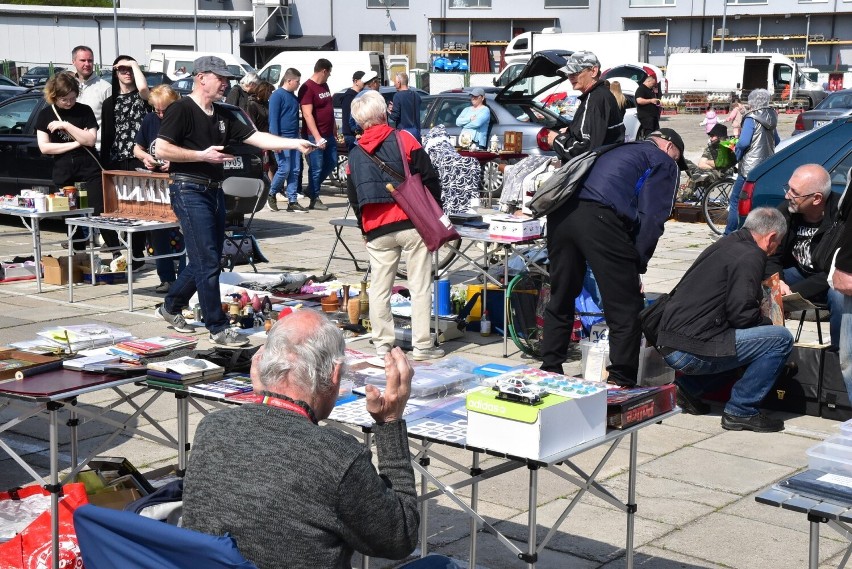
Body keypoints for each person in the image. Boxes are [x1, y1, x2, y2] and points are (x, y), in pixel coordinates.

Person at [182, 310, 426, 568]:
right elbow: (400, 538)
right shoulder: (336, 456)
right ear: (334, 374)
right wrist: (389, 424)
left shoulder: (212, 427)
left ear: (263, 365)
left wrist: (264, 401)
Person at [154, 56, 314, 348]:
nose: (226, 83)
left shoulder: (224, 114)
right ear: (201, 77)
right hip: (188, 190)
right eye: (221, 77)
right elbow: (162, 148)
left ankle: (172, 305)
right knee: (207, 260)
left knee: (208, 258)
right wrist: (202, 156)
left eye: (228, 78)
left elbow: (258, 138)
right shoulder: (181, 109)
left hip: (214, 190)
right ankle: (217, 326)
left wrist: (295, 143)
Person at [540, 128, 686, 385]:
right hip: (599, 217)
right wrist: (637, 264)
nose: (676, 165)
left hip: (561, 214)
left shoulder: (617, 147)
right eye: (677, 158)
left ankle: (550, 366)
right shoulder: (663, 161)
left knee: (562, 294)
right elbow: (653, 216)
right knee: (625, 305)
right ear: (669, 147)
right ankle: (621, 378)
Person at [656, 207, 793, 433]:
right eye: (777, 244)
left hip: (671, 342)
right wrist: (770, 322)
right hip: (690, 350)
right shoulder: (752, 255)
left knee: (745, 342)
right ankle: (742, 410)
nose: (774, 250)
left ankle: (689, 389)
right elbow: (742, 315)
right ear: (771, 238)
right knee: (779, 339)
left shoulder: (726, 244)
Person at [346, 90, 444, 361]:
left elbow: (354, 198)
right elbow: (430, 177)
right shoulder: (404, 138)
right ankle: (423, 346)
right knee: (420, 284)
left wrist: (364, 229)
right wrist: (433, 212)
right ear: (384, 113)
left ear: (358, 121)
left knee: (379, 287)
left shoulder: (354, 155)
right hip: (411, 222)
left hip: (376, 227)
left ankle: (382, 346)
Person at [765, 164, 842, 348]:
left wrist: (793, 294)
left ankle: (839, 355)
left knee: (839, 296)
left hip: (831, 281)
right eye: (788, 187)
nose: (787, 195)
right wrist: (778, 282)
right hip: (798, 274)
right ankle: (769, 346)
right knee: (761, 281)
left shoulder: (843, 218)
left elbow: (835, 273)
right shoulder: (787, 211)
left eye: (794, 192)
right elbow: (771, 255)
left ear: (816, 198)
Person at [35, 72, 101, 252]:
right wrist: (76, 142)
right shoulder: (46, 114)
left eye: (73, 98)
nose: (69, 103)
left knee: (97, 210)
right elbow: (45, 148)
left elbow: (91, 140)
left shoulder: (84, 110)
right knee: (71, 216)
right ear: (54, 97)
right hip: (64, 171)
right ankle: (79, 254)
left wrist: (66, 125)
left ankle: (113, 250)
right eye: (65, 99)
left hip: (89, 168)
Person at [133, 84, 187, 294]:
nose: (161, 114)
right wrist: (146, 157)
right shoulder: (149, 120)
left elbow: (192, 150)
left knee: (184, 231)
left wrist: (175, 163)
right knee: (157, 232)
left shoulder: (183, 119)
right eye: (158, 110)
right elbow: (137, 147)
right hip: (156, 184)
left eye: (166, 110)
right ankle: (166, 278)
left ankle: (184, 278)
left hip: (179, 181)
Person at [100, 55, 151, 270]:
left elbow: (144, 90)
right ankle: (119, 251)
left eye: (130, 68)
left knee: (139, 207)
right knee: (119, 209)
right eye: (122, 68)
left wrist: (133, 64)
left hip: (140, 157)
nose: (126, 72)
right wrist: (104, 163)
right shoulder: (110, 102)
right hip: (117, 158)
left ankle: (137, 254)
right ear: (115, 72)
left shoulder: (143, 97)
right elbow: (107, 136)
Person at [547, 51, 624, 160]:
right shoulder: (601, 94)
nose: (570, 77)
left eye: (575, 72)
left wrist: (556, 140)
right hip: (608, 163)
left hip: (597, 169)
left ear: (593, 71)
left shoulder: (594, 99)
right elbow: (596, 131)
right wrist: (570, 130)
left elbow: (586, 149)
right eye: (568, 74)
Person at [724, 88, 780, 235]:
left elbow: (743, 143)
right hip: (766, 166)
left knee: (736, 200)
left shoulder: (751, 118)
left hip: (749, 167)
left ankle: (729, 234)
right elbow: (777, 140)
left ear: (752, 102)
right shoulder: (771, 116)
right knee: (757, 202)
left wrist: (737, 152)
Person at [298, 58, 337, 211]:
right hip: (314, 135)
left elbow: (329, 107)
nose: (329, 76)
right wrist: (317, 137)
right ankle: (314, 197)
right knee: (316, 167)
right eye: (329, 73)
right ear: (323, 71)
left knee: (332, 162)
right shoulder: (307, 88)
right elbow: (307, 114)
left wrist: (333, 126)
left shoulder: (325, 85)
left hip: (328, 133)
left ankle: (312, 189)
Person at [268, 68, 305, 213]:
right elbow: (273, 120)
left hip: (294, 138)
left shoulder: (293, 97)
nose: (298, 84)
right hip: (282, 138)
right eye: (297, 82)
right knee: (285, 168)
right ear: (289, 80)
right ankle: (272, 193)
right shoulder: (277, 96)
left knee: (295, 170)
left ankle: (292, 200)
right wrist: (275, 141)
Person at [71, 45, 111, 148]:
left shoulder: (105, 88)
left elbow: (111, 121)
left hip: (96, 149)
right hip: (69, 147)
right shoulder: (67, 87)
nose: (87, 64)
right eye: (83, 60)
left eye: (90, 60)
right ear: (73, 61)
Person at [389, 72, 422, 142]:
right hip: (416, 134)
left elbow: (394, 117)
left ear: (399, 82)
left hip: (404, 135)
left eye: (395, 82)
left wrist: (391, 111)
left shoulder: (397, 96)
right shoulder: (416, 95)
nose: (394, 84)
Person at [340, 70, 365, 151]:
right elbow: (348, 117)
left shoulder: (360, 95)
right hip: (351, 135)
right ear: (356, 81)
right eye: (363, 80)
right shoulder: (349, 97)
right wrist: (356, 132)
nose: (365, 82)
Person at [634, 71, 661, 140]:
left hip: (653, 116)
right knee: (649, 133)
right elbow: (639, 100)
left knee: (656, 133)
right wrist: (651, 100)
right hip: (646, 116)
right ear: (648, 81)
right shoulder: (641, 89)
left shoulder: (650, 89)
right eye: (652, 84)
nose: (653, 85)